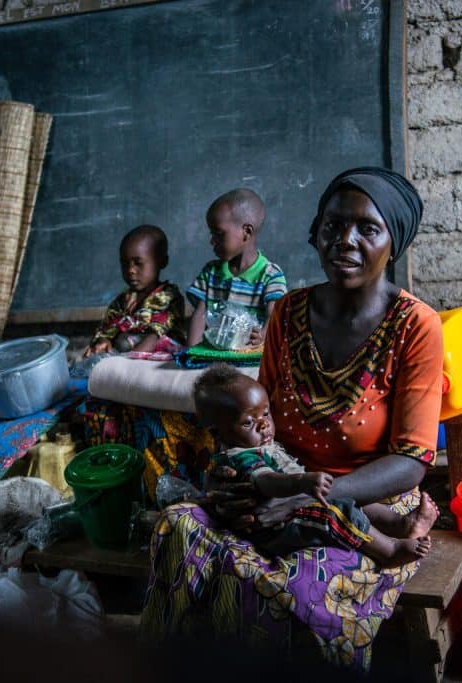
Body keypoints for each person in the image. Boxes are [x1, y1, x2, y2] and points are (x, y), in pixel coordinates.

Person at [142, 167, 443, 672]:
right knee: (178, 527)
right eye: (332, 226)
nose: (344, 241)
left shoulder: (415, 325)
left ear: (395, 242)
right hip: (281, 483)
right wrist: (238, 471)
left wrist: (311, 497)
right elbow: (258, 420)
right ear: (316, 233)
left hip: (369, 505)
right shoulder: (288, 313)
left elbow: (411, 461)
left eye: (367, 229)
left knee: (281, 581)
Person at [194, 364, 437, 565]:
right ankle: (389, 551)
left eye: (266, 414)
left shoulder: (255, 444)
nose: (264, 425)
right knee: (336, 514)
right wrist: (302, 482)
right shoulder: (240, 456)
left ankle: (402, 524)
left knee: (353, 498)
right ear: (218, 433)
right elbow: (266, 481)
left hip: (295, 504)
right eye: (248, 423)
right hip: (274, 527)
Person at [185, 189, 287, 348]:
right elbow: (199, 314)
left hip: (249, 353)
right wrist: (192, 351)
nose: (212, 241)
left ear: (246, 232)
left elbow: (274, 314)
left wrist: (263, 337)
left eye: (218, 234)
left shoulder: (270, 275)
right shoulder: (210, 272)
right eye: (211, 234)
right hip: (214, 351)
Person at [83, 225, 186, 358]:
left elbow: (156, 335)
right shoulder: (123, 300)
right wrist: (103, 341)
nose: (130, 270)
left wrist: (129, 361)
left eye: (138, 263)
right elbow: (106, 328)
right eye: (125, 263)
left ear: (162, 262)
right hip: (127, 352)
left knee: (125, 343)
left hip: (158, 355)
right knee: (116, 344)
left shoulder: (169, 297)